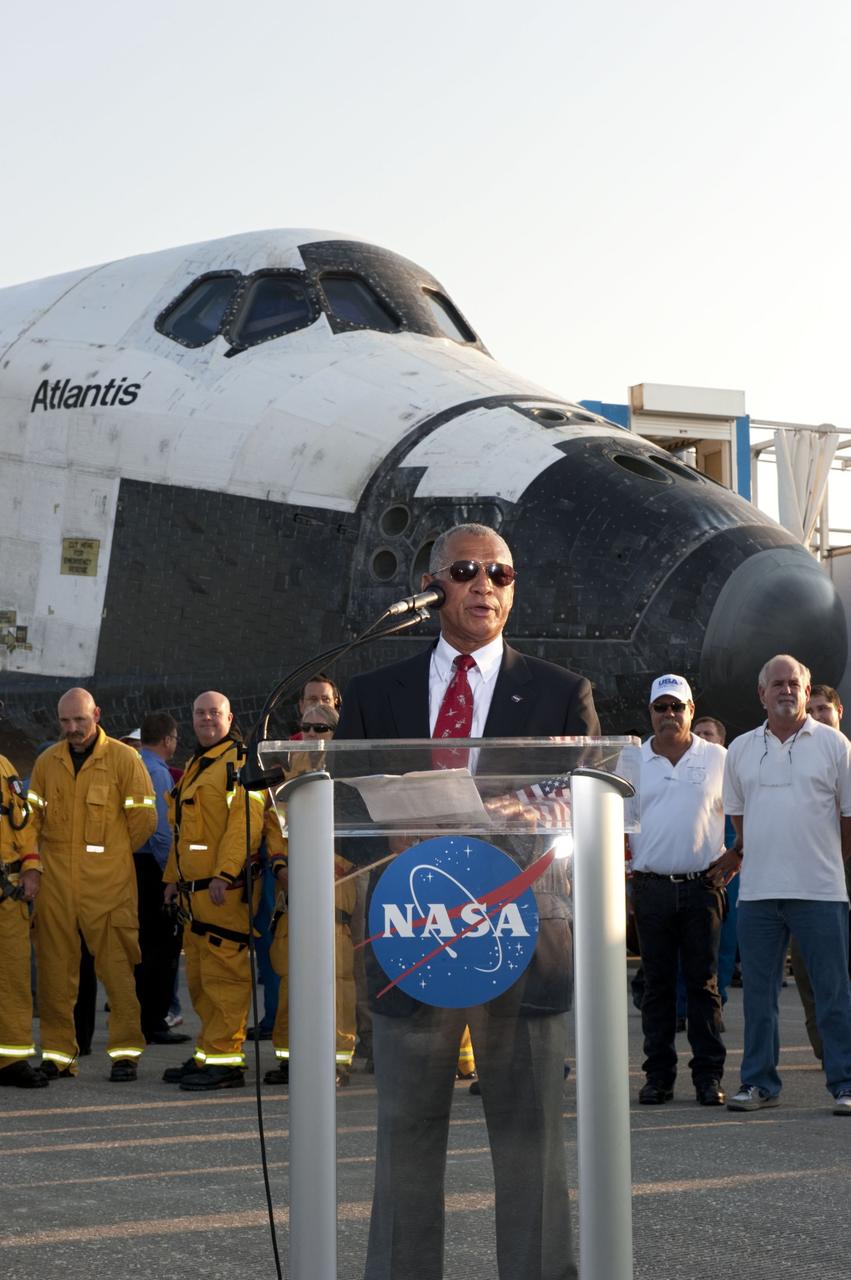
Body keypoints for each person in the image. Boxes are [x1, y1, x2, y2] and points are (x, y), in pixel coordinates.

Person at [338, 521, 600, 1280]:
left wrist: (513, 826)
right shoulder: (371, 694)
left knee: (531, 1151)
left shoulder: (559, 694)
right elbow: (342, 818)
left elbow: (582, 808)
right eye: (465, 569)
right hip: (409, 938)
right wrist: (386, 844)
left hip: (524, 940)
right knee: (405, 1146)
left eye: (501, 573)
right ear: (431, 587)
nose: (485, 584)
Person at [717, 654, 851, 1116]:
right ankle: (758, 1083)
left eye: (794, 683)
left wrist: (823, 860)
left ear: (807, 687)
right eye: (777, 683)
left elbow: (848, 821)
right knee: (758, 996)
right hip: (757, 893)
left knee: (834, 993)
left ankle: (845, 1083)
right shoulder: (739, 750)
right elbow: (739, 819)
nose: (786, 690)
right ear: (762, 693)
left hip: (821, 890)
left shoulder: (836, 746)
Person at [28, 688, 157, 1081]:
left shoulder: (123, 758)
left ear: (97, 715)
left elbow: (144, 821)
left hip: (109, 885)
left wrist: (111, 855)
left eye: (80, 720)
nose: (72, 728)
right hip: (56, 885)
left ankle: (125, 1054)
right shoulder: (47, 762)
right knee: (54, 972)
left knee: (117, 970)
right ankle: (58, 1054)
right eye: (65, 722)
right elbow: (30, 822)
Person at [628, 676, 727, 1106]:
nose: (669, 715)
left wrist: (737, 855)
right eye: (660, 708)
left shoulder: (720, 758)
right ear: (650, 713)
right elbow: (619, 825)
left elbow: (743, 811)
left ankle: (708, 1077)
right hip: (650, 888)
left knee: (704, 986)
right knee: (657, 987)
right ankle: (659, 1077)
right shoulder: (631, 761)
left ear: (691, 708)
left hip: (702, 887)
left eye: (677, 707)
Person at [162, 691, 264, 1092]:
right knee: (201, 982)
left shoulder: (239, 763)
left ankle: (227, 1062)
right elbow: (182, 832)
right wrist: (172, 880)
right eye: (201, 713)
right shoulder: (197, 764)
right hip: (194, 894)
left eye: (214, 713)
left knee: (225, 979)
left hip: (223, 892)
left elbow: (247, 822)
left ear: (229, 716)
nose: (207, 719)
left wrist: (225, 872)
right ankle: (209, 1051)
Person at [264, 702, 357, 1086]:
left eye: (322, 728)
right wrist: (282, 867)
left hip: (335, 888)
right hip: (296, 891)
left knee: (337, 980)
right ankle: (290, 1057)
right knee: (291, 977)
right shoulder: (288, 773)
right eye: (308, 727)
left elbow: (357, 828)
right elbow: (274, 824)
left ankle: (336, 1061)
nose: (315, 734)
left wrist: (330, 865)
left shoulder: (350, 773)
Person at [134, 713, 189, 1046]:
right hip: (153, 868)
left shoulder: (131, 765)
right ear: (168, 740)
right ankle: (154, 1021)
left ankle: (144, 1019)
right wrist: (171, 874)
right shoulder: (159, 773)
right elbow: (162, 831)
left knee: (141, 949)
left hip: (131, 865)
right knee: (162, 948)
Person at [0, 752, 48, 1088]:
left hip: (9, 892)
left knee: (14, 979)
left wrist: (32, 867)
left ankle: (12, 1059)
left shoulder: (5, 766)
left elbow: (23, 823)